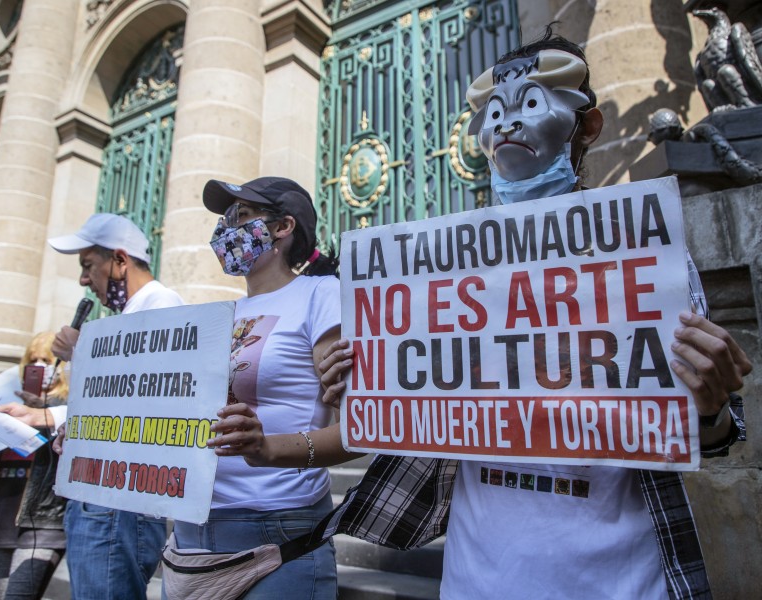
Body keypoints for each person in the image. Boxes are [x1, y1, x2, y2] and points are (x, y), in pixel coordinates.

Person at [207, 28, 752, 599]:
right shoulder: (436, 274)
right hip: (476, 577)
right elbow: (390, 418)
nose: (507, 126)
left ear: (586, 127)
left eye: (532, 104)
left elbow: (708, 430)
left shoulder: (644, 253)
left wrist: (710, 404)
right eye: (494, 112)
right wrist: (362, 381)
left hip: (621, 580)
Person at [167, 176, 343, 599]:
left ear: (282, 227)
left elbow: (363, 430)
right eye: (226, 218)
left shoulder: (321, 294)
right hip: (192, 533)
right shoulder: (219, 314)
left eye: (241, 215)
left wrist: (267, 449)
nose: (227, 228)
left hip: (277, 530)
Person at [0, 213, 185, 600]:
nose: (84, 280)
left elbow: (150, 395)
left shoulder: (161, 303)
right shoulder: (131, 312)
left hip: (118, 504)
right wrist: (46, 416)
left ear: (120, 260)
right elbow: (111, 404)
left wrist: (80, 352)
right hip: (99, 497)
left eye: (88, 266)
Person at [0, 331, 68, 600]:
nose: (39, 366)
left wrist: (44, 411)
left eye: (47, 359)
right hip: (4, 515)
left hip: (43, 520)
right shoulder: (10, 403)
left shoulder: (66, 409)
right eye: (34, 359)